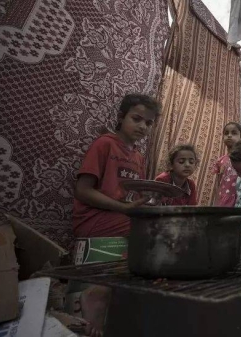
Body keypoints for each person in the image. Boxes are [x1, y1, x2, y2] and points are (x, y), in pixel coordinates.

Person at [72, 93, 160, 335]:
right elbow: (82, 191)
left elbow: (129, 198)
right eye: (137, 118)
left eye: (149, 123)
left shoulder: (138, 157)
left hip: (121, 218)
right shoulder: (105, 144)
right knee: (150, 236)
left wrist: (143, 206)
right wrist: (124, 209)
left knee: (158, 229)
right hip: (95, 219)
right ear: (121, 117)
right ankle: (97, 293)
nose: (142, 126)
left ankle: (116, 298)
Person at [212, 122, 241, 207]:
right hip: (224, 201)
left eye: (234, 133)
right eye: (226, 133)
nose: (229, 135)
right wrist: (216, 202)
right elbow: (218, 184)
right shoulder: (220, 161)